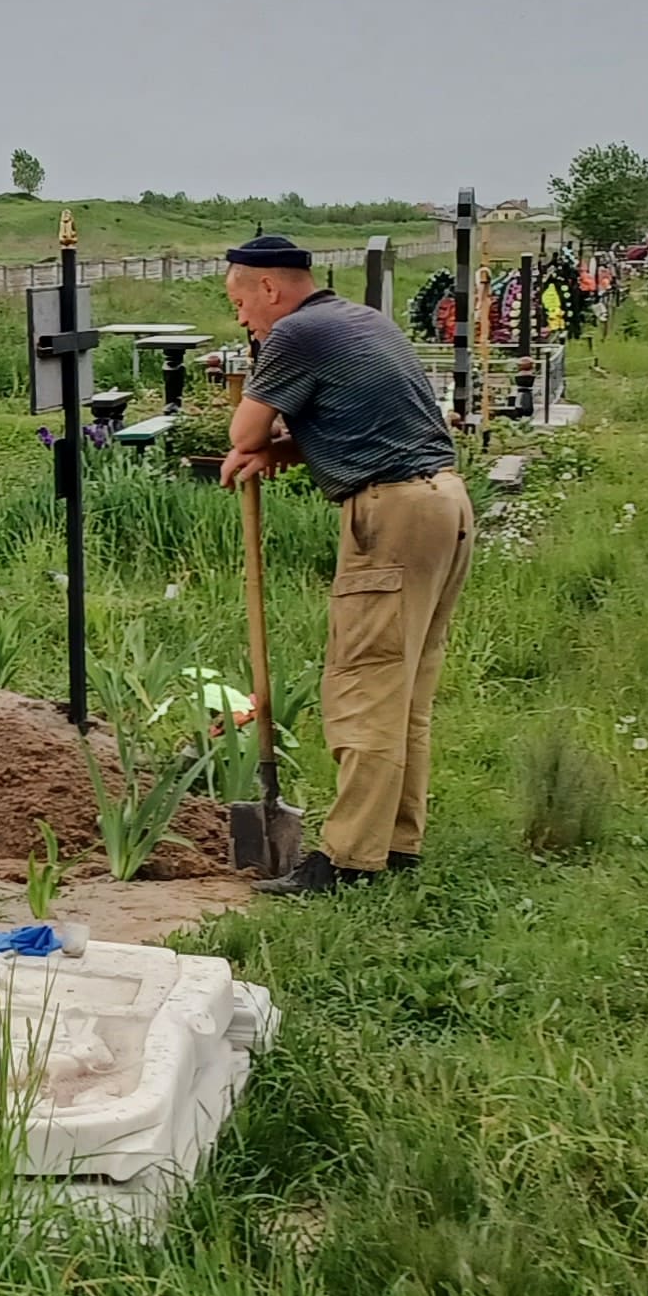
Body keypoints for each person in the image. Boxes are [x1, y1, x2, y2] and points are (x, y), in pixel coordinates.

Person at [215, 232, 473, 894]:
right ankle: (396, 842)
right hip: (444, 504)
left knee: (364, 689)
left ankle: (347, 862)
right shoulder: (360, 321)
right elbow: (356, 420)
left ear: (269, 288)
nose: (241, 318)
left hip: (391, 514)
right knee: (405, 693)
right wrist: (289, 451)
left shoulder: (294, 336)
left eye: (241, 302)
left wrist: (260, 439)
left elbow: (243, 433)